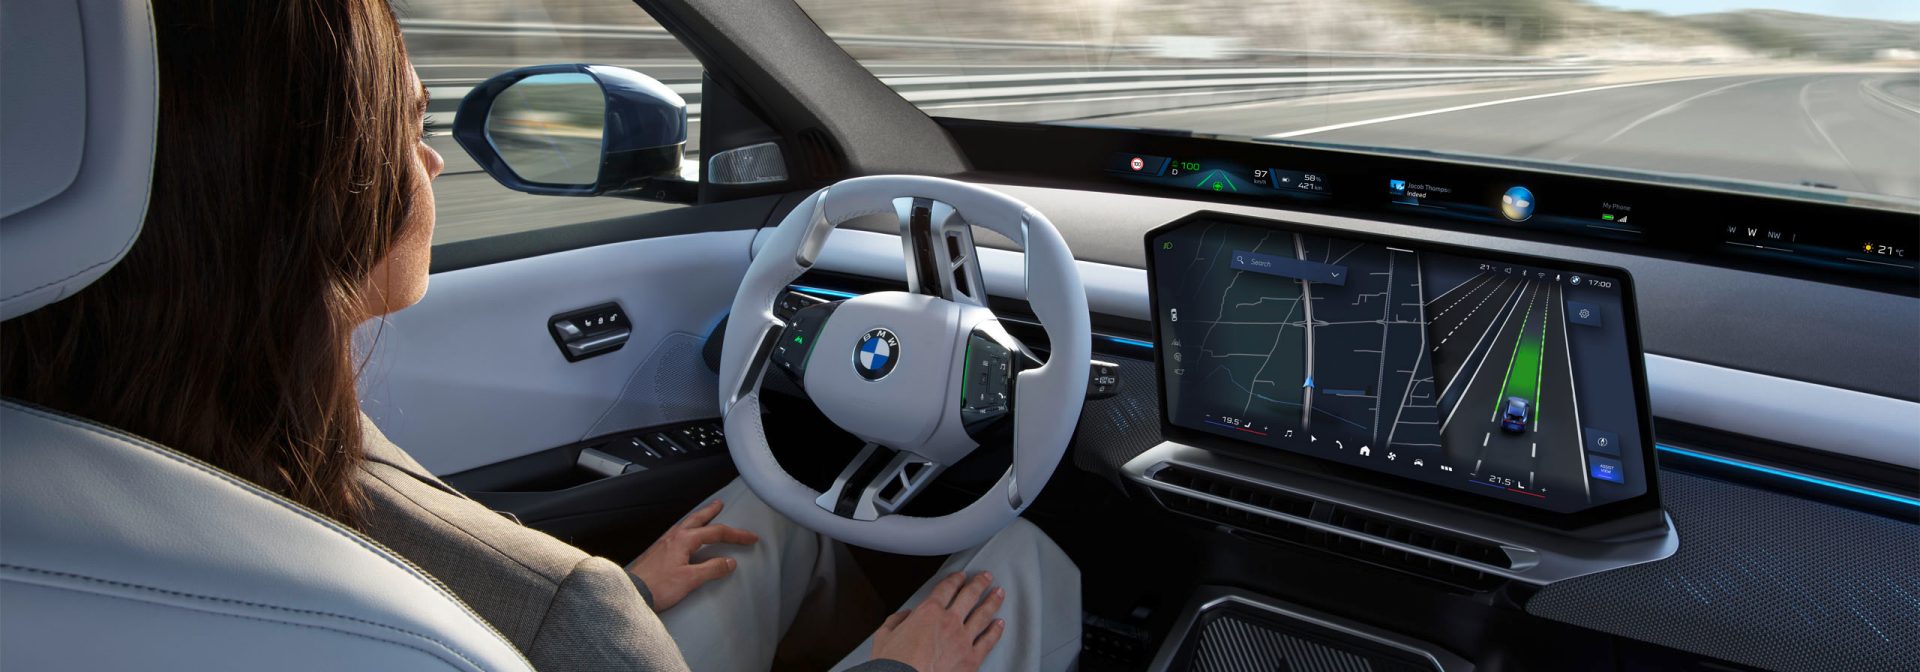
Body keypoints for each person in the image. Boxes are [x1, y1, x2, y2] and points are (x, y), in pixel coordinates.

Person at [0, 1, 1080, 671]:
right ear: (308, 198)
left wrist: (611, 593)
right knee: (1026, 569)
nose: (427, 167)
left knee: (766, 519)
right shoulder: (574, 619)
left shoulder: (103, 439)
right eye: (411, 128)